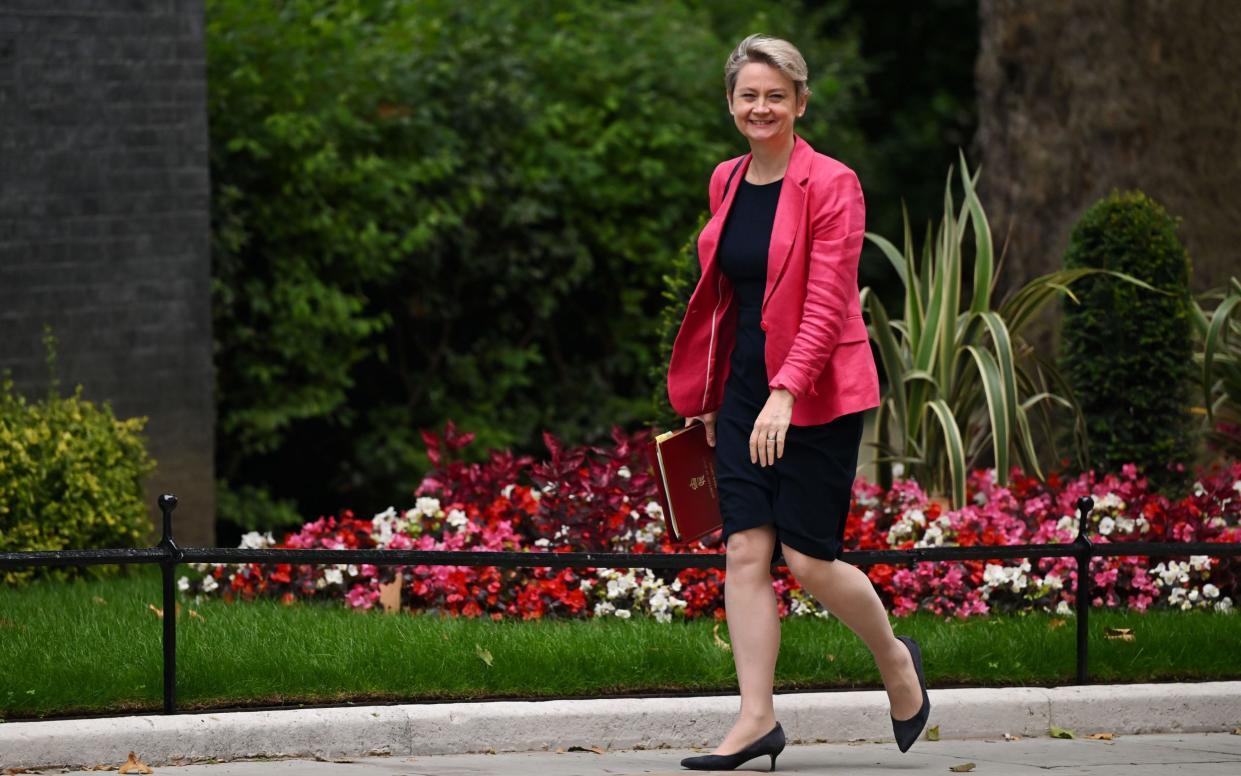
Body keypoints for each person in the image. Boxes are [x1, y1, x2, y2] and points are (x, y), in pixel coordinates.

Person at [666, 34, 931, 771]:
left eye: (775, 96)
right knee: (744, 548)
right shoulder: (725, 180)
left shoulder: (832, 183)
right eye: (748, 95)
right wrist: (718, 392)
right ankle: (755, 720)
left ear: (799, 102)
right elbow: (725, 297)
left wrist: (786, 391)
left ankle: (894, 660)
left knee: (809, 561)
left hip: (817, 390)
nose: (760, 107)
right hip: (746, 388)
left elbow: (825, 301)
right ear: (730, 103)